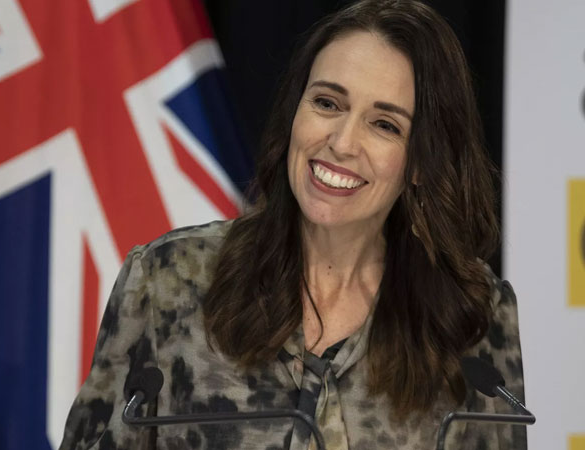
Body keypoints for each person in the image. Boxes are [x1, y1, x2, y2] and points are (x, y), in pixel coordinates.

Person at [60, 0, 526, 448]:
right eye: (327, 103)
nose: (342, 143)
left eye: (384, 124)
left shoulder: (470, 316)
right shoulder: (167, 281)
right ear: (295, 113)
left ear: (422, 162)